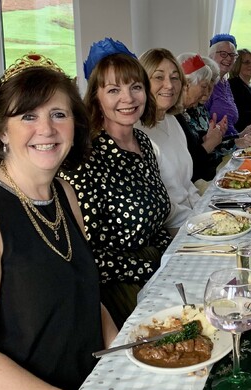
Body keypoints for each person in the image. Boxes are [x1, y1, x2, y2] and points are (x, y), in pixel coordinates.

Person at [0, 55, 117, 390]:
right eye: (28, 116)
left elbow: (85, 296)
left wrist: (121, 357)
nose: (46, 130)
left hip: (95, 384)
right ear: (3, 130)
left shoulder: (64, 193)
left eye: (58, 114)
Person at [62, 38, 173, 329]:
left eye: (135, 87)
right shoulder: (85, 157)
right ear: (96, 98)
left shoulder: (143, 143)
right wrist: (153, 268)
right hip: (117, 287)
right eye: (114, 90)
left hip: (154, 266)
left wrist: (173, 251)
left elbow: (155, 220)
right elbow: (87, 256)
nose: (128, 98)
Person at [137, 48, 202, 230]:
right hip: (172, 228)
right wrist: (198, 221)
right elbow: (159, 205)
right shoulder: (137, 133)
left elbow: (186, 185)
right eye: (159, 77)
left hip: (194, 218)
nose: (169, 85)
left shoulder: (172, 120)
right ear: (141, 82)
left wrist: (204, 211)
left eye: (174, 78)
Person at [175, 53, 226, 182]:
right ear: (186, 84)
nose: (206, 93)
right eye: (203, 86)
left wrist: (205, 138)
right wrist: (209, 144)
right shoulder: (172, 118)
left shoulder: (182, 113)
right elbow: (185, 168)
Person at [206, 33, 251, 147]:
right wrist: (236, 141)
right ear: (210, 56)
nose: (229, 58)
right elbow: (205, 139)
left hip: (231, 144)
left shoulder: (225, 84)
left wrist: (242, 134)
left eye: (232, 55)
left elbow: (229, 130)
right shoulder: (207, 84)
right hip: (218, 152)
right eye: (223, 54)